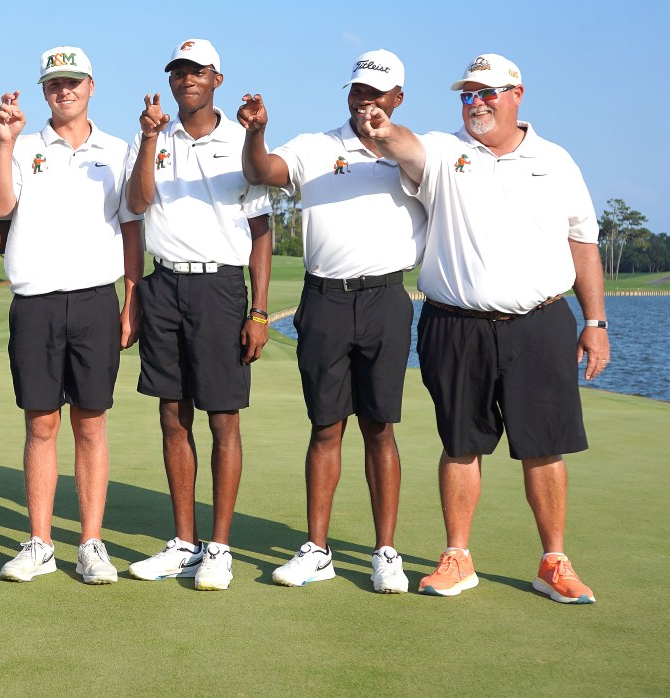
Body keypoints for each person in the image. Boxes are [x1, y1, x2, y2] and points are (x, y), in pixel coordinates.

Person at [358, 53, 609, 603]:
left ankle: (554, 562)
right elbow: (404, 145)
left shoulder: (557, 160)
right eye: (468, 94)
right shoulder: (446, 151)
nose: (476, 103)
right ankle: (457, 557)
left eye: (487, 93)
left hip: (540, 323)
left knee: (544, 447)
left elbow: (583, 243)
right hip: (456, 325)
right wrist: (382, 128)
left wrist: (595, 321)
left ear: (517, 94)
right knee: (461, 444)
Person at [238, 50, 426, 593]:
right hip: (323, 302)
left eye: (376, 93)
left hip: (387, 300)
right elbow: (261, 171)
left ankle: (384, 551)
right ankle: (317, 550)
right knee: (325, 427)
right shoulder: (315, 147)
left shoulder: (413, 151)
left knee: (379, 427)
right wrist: (257, 133)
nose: (365, 101)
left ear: (397, 98)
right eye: (358, 91)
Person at [0, 46, 143, 585]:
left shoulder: (117, 150)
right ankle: (40, 542)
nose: (64, 90)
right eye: (54, 83)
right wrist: (4, 144)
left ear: (91, 86)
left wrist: (131, 297)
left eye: (73, 81)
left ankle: (91, 543)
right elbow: (0, 208)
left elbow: (131, 226)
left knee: (91, 423)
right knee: (41, 423)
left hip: (95, 298)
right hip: (36, 301)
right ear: (44, 89)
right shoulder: (22, 147)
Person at [124, 39, 272, 591]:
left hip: (220, 289)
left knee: (222, 419)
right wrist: (147, 138)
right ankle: (184, 543)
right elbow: (137, 207)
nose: (186, 79)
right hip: (165, 286)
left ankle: (220, 547)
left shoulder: (241, 142)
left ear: (217, 78)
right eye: (179, 72)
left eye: (197, 71)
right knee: (171, 413)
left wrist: (259, 311)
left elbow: (261, 234)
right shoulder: (156, 139)